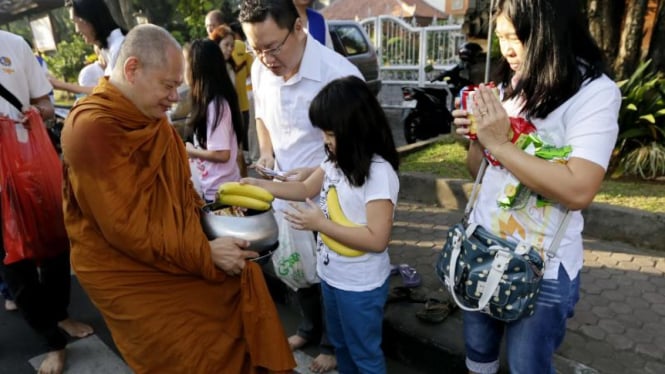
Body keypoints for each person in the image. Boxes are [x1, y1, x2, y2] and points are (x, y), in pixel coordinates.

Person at [60, 24, 295, 373]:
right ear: (132, 69)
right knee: (182, 346)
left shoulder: (154, 121)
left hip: (170, 243)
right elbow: (124, 228)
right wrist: (205, 252)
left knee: (242, 281)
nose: (175, 97)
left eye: (176, 86)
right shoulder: (92, 128)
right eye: (168, 86)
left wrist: (216, 228)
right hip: (125, 266)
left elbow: (182, 192)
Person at [451, 0, 620, 373]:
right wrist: (478, 140)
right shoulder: (509, 81)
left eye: (516, 38)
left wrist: (499, 143)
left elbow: (579, 190)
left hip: (540, 264)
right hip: (482, 245)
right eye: (501, 37)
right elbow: (479, 170)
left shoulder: (594, 93)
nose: (507, 49)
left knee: (527, 364)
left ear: (548, 31)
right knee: (478, 353)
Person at [242, 75, 399, 373]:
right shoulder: (334, 162)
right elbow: (303, 190)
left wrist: (321, 224)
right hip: (332, 276)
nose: (326, 141)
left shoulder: (379, 174)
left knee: (364, 355)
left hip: (361, 285)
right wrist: (259, 186)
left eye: (330, 133)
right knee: (342, 347)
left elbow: (377, 239)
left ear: (357, 128)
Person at [239, 0, 362, 371]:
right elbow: (262, 114)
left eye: (272, 48)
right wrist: (268, 155)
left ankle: (332, 343)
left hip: (332, 194)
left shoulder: (338, 74)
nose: (265, 59)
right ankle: (309, 328)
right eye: (255, 49)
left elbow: (357, 147)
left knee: (330, 270)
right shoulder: (263, 69)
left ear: (298, 27)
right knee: (295, 266)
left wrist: (311, 175)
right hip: (285, 190)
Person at [0, 29, 93, 374]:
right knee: (13, 265)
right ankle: (51, 340)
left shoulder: (13, 45)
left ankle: (61, 313)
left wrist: (35, 114)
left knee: (56, 245)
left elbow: (46, 104)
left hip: (29, 168)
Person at [184, 39, 243, 201]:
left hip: (221, 192)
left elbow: (222, 154)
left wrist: (190, 151)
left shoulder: (216, 105)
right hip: (214, 187)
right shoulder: (208, 102)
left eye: (186, 64)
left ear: (197, 69)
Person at [50, 0, 126, 96]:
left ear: (87, 20)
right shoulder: (109, 49)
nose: (76, 30)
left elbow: (112, 93)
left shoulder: (120, 47)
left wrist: (61, 85)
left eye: (75, 22)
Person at [210, 24, 255, 164]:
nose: (230, 49)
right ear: (216, 44)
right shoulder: (211, 68)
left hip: (235, 110)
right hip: (220, 116)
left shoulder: (231, 65)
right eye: (226, 45)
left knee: (238, 151)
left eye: (232, 45)